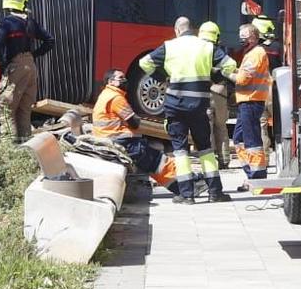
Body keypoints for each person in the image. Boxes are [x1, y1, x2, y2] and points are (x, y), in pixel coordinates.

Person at [139, 17, 237, 203]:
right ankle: (215, 192)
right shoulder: (205, 46)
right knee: (205, 149)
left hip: (174, 106)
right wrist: (212, 75)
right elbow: (230, 65)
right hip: (199, 106)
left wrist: (164, 76)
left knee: (180, 150)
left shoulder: (169, 46)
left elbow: (145, 63)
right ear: (192, 29)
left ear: (177, 30)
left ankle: (186, 195)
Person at [0, 0, 55, 140]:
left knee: (6, 111)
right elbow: (50, 40)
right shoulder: (30, 22)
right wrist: (33, 55)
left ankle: (10, 149)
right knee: (24, 110)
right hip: (30, 68)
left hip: (15, 67)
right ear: (23, 3)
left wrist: (2, 63)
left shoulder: (6, 23)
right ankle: (26, 148)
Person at [91, 68, 163, 176]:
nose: (124, 80)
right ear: (111, 81)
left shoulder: (105, 94)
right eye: (120, 78)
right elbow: (134, 123)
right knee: (156, 160)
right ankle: (185, 185)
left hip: (106, 137)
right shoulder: (116, 98)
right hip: (119, 140)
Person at [231, 23, 273, 178]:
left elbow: (242, 79)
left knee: (251, 139)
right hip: (247, 101)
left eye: (245, 36)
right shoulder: (250, 53)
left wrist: (227, 73)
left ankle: (257, 174)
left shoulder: (256, 53)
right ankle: (251, 171)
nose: (241, 39)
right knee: (239, 139)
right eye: (240, 36)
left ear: (254, 37)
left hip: (251, 101)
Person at [200, 19, 234, 168]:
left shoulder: (197, 50)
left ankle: (210, 161)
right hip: (220, 92)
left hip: (203, 92)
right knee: (221, 126)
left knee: (206, 127)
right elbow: (230, 68)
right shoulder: (219, 50)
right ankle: (224, 160)